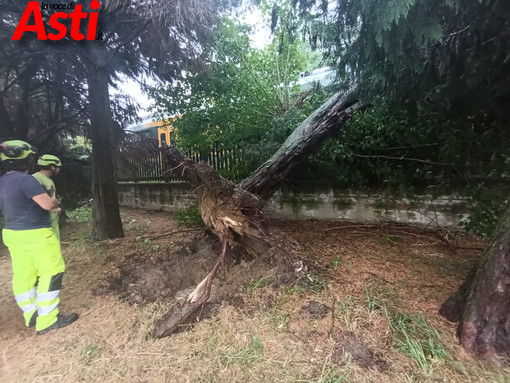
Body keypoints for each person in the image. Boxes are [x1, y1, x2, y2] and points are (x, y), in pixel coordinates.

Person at [0, 140, 78, 335]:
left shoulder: (3, 181)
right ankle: (48, 320)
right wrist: (54, 202)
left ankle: (31, 313)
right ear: (25, 159)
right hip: (34, 233)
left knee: (23, 273)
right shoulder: (26, 180)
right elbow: (46, 204)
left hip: (11, 232)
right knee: (52, 270)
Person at [33, 154, 62, 241]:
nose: (59, 169)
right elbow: (34, 200)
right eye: (58, 166)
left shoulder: (48, 179)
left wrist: (56, 204)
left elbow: (48, 196)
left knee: (55, 243)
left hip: (52, 219)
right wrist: (53, 208)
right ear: (52, 167)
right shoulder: (35, 178)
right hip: (42, 221)